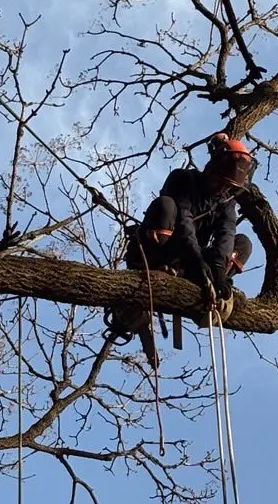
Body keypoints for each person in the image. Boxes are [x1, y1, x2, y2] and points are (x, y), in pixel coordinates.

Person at [106, 133, 256, 355]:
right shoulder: (183, 180)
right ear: (212, 168)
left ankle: (210, 296)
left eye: (228, 186)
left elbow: (227, 233)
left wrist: (218, 270)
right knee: (166, 206)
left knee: (242, 243)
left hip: (189, 266)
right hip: (161, 251)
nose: (222, 189)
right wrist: (198, 261)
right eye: (221, 182)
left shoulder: (225, 202)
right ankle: (152, 282)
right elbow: (184, 223)